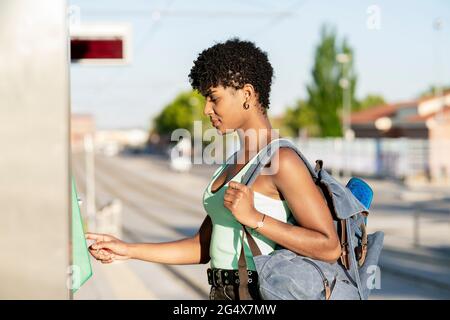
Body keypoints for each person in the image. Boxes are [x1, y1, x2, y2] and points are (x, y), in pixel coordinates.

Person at [86, 38, 341, 300]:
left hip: (258, 293)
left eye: (213, 98)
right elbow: (203, 246)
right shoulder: (233, 161)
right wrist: (128, 250)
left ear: (247, 95)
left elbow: (328, 246)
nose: (207, 109)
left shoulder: (281, 161)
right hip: (223, 292)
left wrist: (255, 218)